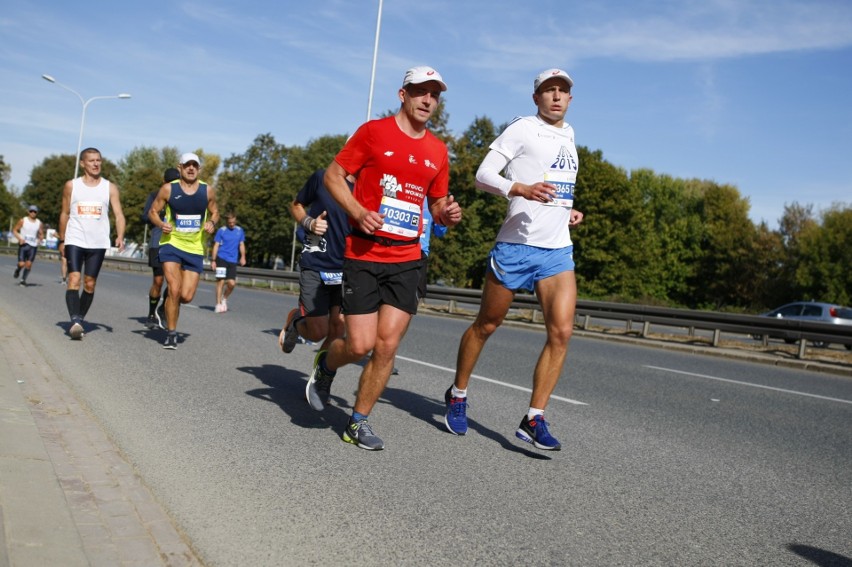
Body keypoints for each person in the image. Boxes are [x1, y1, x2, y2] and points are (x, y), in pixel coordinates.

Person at [308, 66, 462, 450]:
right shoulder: (373, 133)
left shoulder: (438, 150)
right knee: (358, 345)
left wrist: (446, 213)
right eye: (420, 92)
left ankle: (358, 422)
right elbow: (332, 176)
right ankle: (326, 366)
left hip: (408, 258)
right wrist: (358, 211)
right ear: (403, 94)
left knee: (387, 346)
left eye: (435, 94)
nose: (428, 100)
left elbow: (437, 202)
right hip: (363, 253)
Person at [442, 68, 584, 452]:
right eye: (548, 91)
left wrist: (567, 209)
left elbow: (556, 185)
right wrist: (518, 188)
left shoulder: (569, 135)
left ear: (571, 99)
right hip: (516, 246)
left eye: (562, 91)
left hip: (557, 249)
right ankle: (457, 393)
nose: (556, 96)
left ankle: (533, 417)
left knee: (562, 333)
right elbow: (482, 175)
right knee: (487, 325)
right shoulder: (522, 128)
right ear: (536, 97)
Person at [279, 169, 353, 410]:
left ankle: (319, 381)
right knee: (317, 332)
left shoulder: (371, 188)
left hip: (348, 269)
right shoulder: (323, 178)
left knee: (338, 328)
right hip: (317, 265)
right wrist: (308, 222)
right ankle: (295, 322)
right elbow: (296, 205)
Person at [148, 152, 219, 350]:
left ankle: (165, 305)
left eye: (194, 165)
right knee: (174, 288)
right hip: (171, 244)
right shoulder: (169, 189)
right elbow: (152, 212)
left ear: (199, 169)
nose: (190, 168)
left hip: (195, 247)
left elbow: (215, 211)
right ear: (180, 167)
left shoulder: (207, 191)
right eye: (187, 165)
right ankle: (171, 334)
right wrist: (161, 224)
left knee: (186, 296)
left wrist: (212, 223)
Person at [58, 147, 126, 340]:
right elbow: (64, 213)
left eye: (99, 160)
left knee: (89, 284)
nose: (96, 164)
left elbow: (119, 215)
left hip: (98, 242)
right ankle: (75, 321)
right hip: (75, 239)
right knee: (74, 279)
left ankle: (79, 319)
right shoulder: (72, 186)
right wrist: (62, 239)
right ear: (83, 164)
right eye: (91, 161)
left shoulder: (109, 187)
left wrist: (120, 235)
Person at [141, 167, 181, 328]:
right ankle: (151, 314)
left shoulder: (183, 196)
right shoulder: (155, 196)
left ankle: (163, 308)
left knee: (175, 283)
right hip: (158, 243)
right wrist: (160, 218)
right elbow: (145, 216)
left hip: (177, 244)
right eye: (171, 182)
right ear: (164, 182)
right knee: (158, 281)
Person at [211, 212, 246, 313]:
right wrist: (213, 260)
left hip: (233, 260)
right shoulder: (221, 231)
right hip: (221, 258)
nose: (232, 224)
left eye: (233, 222)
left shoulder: (239, 231)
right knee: (220, 281)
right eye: (230, 222)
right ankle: (218, 304)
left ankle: (224, 298)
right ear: (227, 222)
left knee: (232, 283)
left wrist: (243, 257)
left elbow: (241, 244)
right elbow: (216, 246)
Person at [417, 203, 447, 301]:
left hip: (420, 253)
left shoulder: (434, 198)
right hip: (394, 248)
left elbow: (439, 232)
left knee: (412, 302)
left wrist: (444, 217)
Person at [12, 205, 45, 286]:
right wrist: (20, 238)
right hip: (23, 245)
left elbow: (41, 234)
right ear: (28, 212)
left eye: (35, 212)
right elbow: (15, 230)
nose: (33, 213)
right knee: (22, 264)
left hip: (33, 246)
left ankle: (23, 280)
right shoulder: (23, 220)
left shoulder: (39, 223)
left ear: (37, 213)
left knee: (29, 264)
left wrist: (40, 239)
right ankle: (18, 269)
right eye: (31, 211)